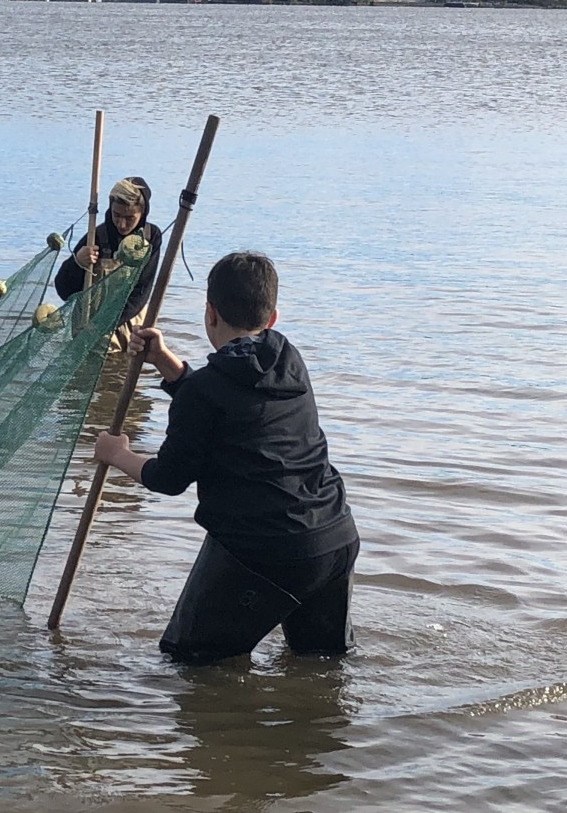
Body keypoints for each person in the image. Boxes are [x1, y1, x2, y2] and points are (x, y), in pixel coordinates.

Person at [93, 251, 360, 665]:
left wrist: (118, 454)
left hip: (261, 550)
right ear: (272, 319)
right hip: (333, 537)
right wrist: (169, 365)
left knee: (189, 662)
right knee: (320, 665)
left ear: (210, 313)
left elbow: (168, 477)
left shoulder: (205, 392)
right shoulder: (288, 358)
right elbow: (229, 400)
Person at [53, 177, 162, 352]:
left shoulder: (151, 237)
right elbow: (64, 290)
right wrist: (76, 263)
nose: (122, 224)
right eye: (116, 215)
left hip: (129, 328)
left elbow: (142, 291)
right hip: (87, 329)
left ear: (142, 213)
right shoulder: (95, 236)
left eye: (129, 217)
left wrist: (106, 324)